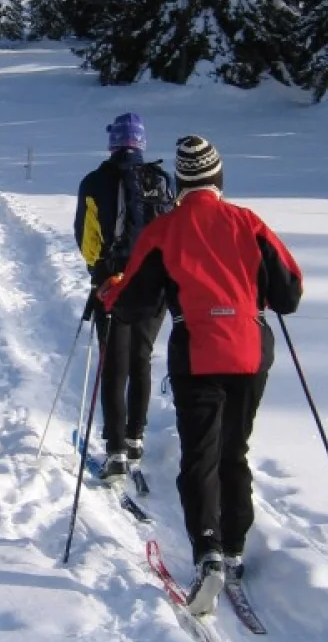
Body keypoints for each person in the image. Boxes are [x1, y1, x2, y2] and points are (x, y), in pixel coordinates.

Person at [99, 134, 302, 614]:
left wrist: (109, 290)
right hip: (251, 351)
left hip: (198, 353)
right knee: (235, 449)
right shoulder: (249, 222)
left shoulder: (165, 231)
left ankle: (207, 549)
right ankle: (234, 547)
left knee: (200, 455)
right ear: (218, 178)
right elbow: (289, 293)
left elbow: (133, 305)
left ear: (181, 182)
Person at [74, 112, 174, 480]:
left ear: (113, 143)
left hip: (113, 284)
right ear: (141, 143)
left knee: (113, 365)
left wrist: (97, 274)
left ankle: (115, 450)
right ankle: (135, 437)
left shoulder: (95, 181)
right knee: (141, 359)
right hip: (155, 286)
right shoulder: (161, 180)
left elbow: (88, 237)